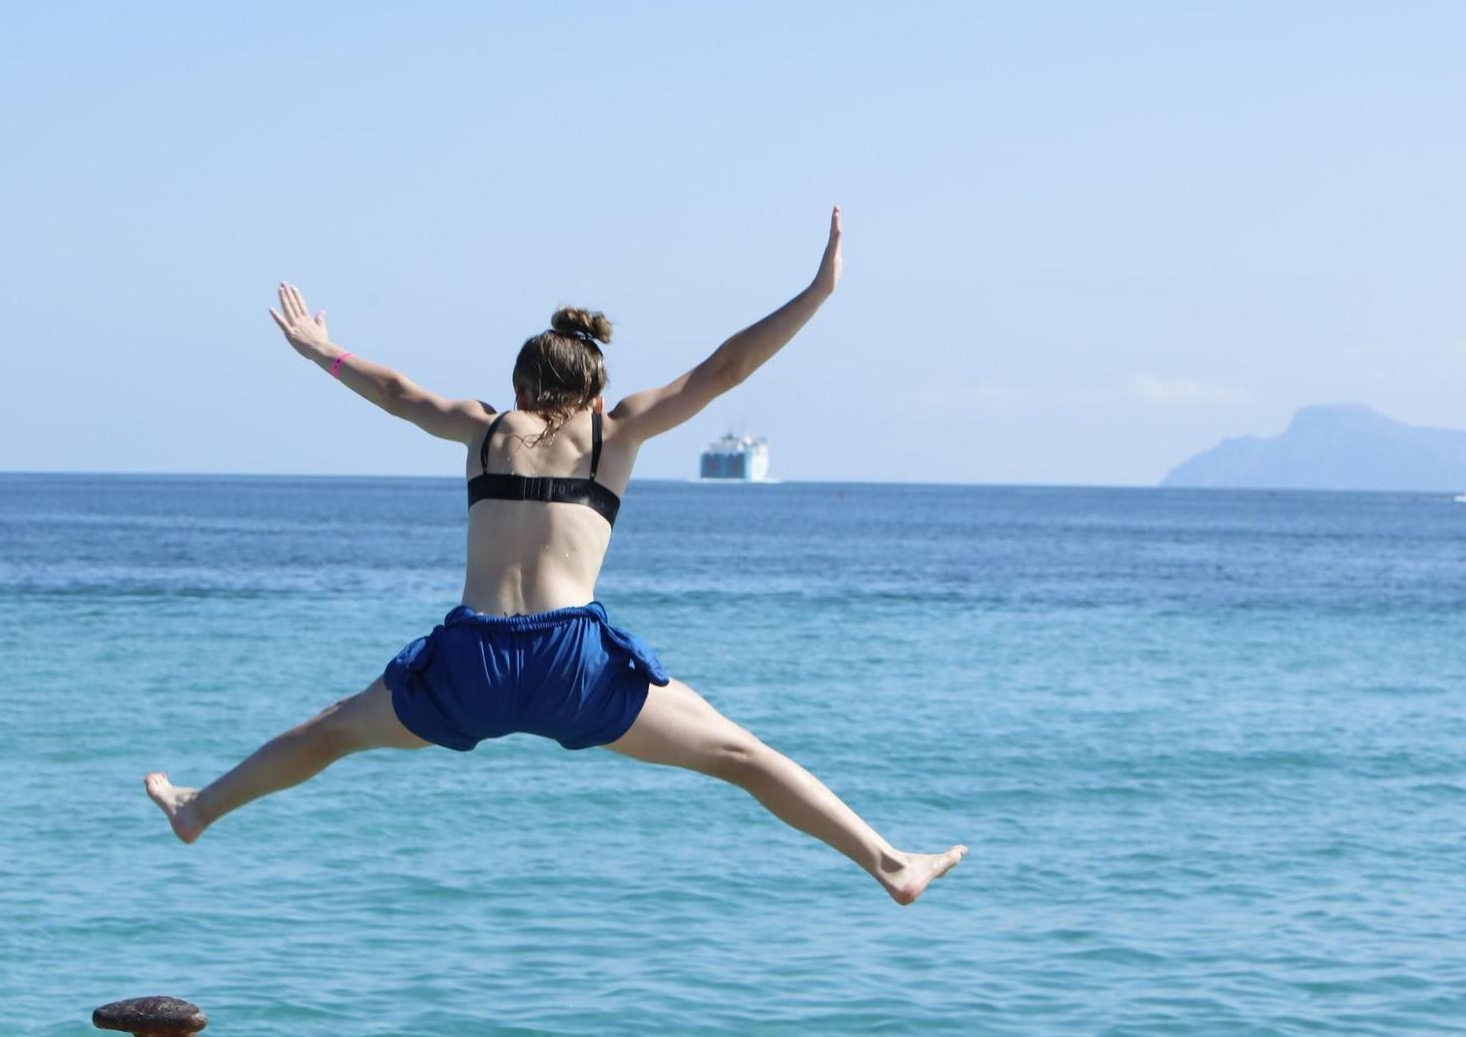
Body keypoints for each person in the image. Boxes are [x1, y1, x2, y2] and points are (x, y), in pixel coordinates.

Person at [146, 208, 966, 904]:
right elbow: (727, 367)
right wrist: (818, 292)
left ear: (520, 388)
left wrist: (319, 349)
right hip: (570, 664)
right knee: (742, 756)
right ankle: (890, 863)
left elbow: (396, 392)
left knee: (332, 730)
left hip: (471, 661)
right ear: (596, 390)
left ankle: (198, 809)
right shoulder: (615, 431)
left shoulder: (484, 427)